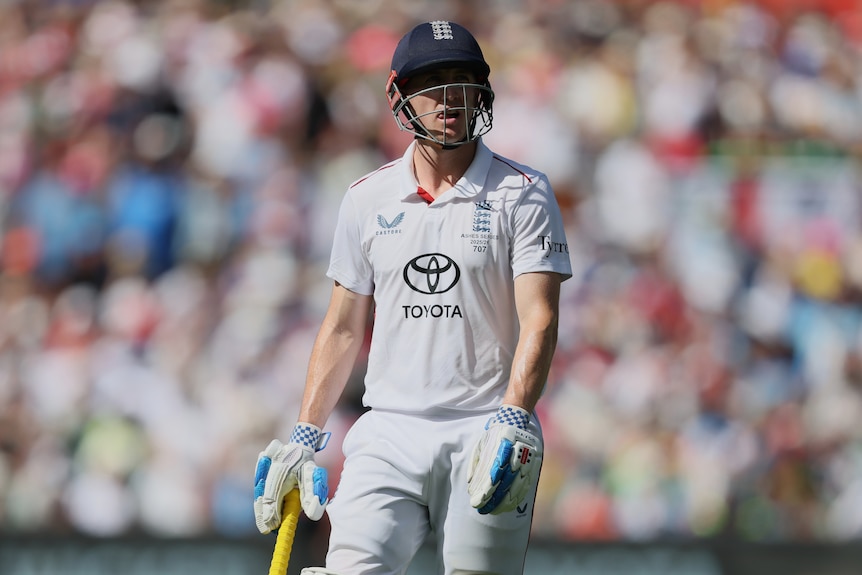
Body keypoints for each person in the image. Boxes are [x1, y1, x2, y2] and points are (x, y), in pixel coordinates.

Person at [253, 20, 572, 575]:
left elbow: (539, 319)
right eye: (433, 82)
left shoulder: (524, 192)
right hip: (389, 430)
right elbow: (343, 326)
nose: (450, 96)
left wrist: (516, 415)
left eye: (463, 79)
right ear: (398, 96)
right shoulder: (366, 197)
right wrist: (306, 434)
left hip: (485, 429)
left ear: (482, 91)